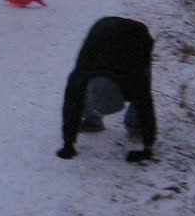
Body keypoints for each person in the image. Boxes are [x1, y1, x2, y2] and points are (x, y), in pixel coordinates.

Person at [56, 16, 157, 163]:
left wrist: (147, 149)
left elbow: (146, 107)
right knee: (82, 94)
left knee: (142, 92)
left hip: (137, 36)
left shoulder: (133, 78)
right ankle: (92, 121)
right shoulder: (81, 76)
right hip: (101, 30)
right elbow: (70, 106)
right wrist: (68, 144)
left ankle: (134, 124)